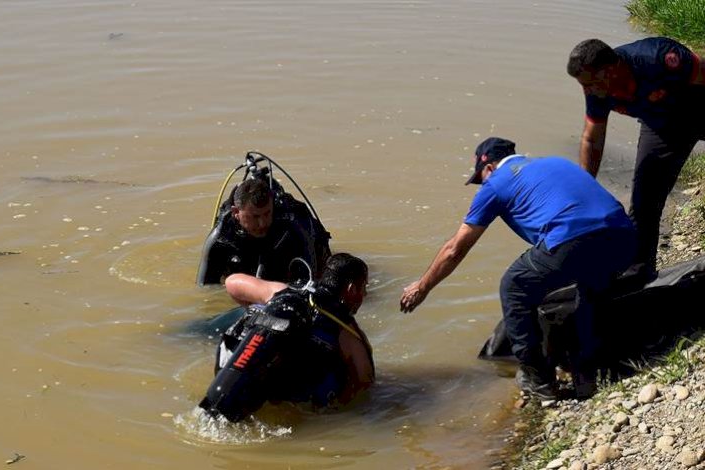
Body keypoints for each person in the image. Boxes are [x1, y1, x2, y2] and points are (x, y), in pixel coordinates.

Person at [399, 137, 636, 400]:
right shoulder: (556, 163)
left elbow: (455, 249)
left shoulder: (495, 184)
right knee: (589, 290)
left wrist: (422, 287)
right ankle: (589, 372)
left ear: (487, 168)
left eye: (480, 178)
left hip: (572, 240)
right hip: (624, 238)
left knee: (515, 285)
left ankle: (538, 379)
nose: (482, 184)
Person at [567, 37, 705, 274]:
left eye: (590, 84)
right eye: (583, 85)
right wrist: (584, 189)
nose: (587, 91)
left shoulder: (660, 58)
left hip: (700, 108)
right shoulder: (596, 91)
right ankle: (639, 272)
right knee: (644, 202)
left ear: (610, 70)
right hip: (662, 127)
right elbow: (592, 138)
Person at [200, 253, 374, 421]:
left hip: (229, 367)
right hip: (286, 396)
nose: (364, 295)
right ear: (351, 289)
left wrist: (262, 307)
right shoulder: (348, 332)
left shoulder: (283, 292)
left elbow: (232, 283)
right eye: (363, 287)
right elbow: (365, 384)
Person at [197, 177, 331, 284]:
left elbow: (309, 281)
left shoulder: (291, 223)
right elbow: (206, 291)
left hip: (300, 248)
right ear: (235, 212)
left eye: (267, 214)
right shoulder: (221, 237)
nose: (262, 223)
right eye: (255, 216)